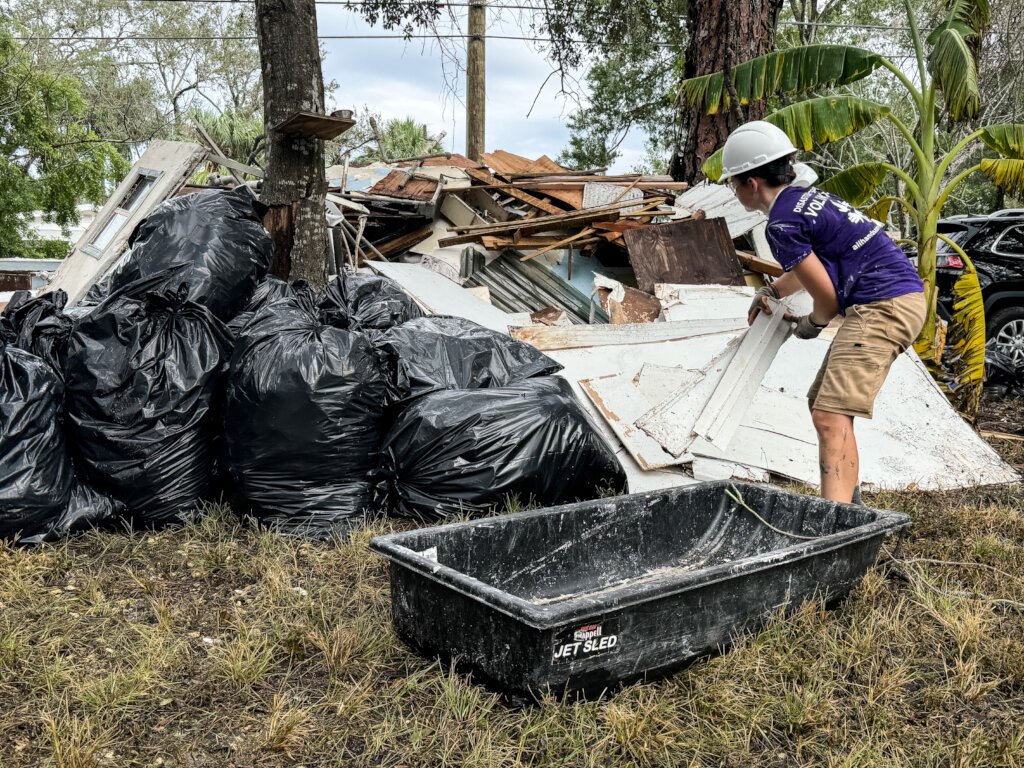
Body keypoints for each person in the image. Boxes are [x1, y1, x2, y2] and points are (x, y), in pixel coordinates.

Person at [720, 121, 926, 504]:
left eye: (733, 182)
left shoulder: (781, 224)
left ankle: (833, 528)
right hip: (897, 297)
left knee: (830, 417)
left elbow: (827, 301)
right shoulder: (804, 201)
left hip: (882, 305)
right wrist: (772, 291)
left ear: (751, 183)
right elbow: (811, 268)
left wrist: (810, 325)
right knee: (825, 407)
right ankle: (851, 507)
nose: (733, 191)